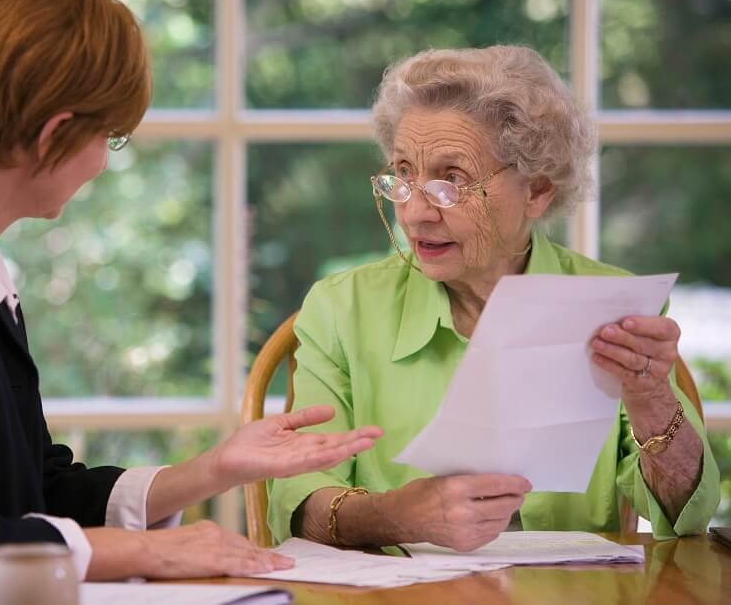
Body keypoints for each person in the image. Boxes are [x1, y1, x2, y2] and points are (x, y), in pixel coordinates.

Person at [0, 0, 383, 603]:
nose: (104, 163)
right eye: (108, 137)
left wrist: (214, 469)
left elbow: (38, 493)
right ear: (55, 133)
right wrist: (148, 551)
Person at [268, 45, 719, 551]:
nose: (415, 213)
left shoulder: (612, 307)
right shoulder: (341, 309)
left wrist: (652, 400)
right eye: (403, 174)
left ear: (539, 190)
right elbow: (296, 503)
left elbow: (687, 517)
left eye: (450, 181)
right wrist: (396, 516)